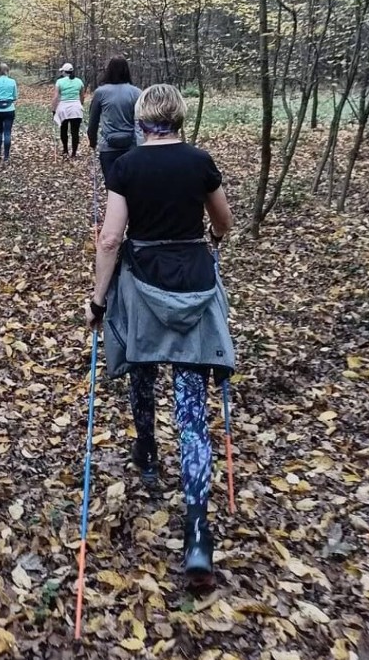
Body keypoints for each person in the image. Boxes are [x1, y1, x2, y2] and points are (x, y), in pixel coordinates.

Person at [85, 84, 234, 590]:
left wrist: (99, 297)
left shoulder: (125, 166)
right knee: (192, 411)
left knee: (143, 367)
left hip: (144, 282)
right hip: (194, 282)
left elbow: (110, 237)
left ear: (143, 120)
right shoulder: (200, 161)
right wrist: (210, 242)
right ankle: (197, 532)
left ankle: (147, 451)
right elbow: (223, 221)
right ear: (179, 118)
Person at [87, 55, 142, 187]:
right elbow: (142, 122)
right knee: (132, 186)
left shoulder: (100, 92)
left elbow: (93, 122)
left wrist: (93, 142)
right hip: (132, 147)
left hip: (108, 147)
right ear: (126, 70)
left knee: (112, 186)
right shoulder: (137, 92)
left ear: (109, 70)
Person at [52, 62, 85, 158]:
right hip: (76, 108)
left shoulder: (60, 82)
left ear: (64, 72)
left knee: (63, 130)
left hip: (63, 109)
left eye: (62, 71)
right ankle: (74, 152)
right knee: (75, 131)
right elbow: (82, 96)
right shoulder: (79, 81)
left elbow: (56, 97)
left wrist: (54, 109)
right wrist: (80, 105)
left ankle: (65, 149)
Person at [0, 63, 18, 162]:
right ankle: (6, 157)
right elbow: (15, 96)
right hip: (9, 109)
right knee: (7, 133)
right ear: (8, 70)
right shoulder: (12, 81)